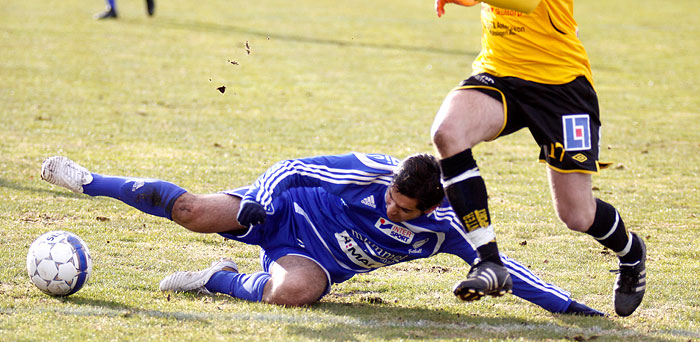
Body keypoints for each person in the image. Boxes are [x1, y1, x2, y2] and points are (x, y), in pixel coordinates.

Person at [41, 153, 602, 316]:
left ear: (432, 205)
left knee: (295, 294)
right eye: (389, 198)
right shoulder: (369, 171)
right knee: (188, 209)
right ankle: (89, 181)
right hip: (279, 214)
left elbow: (503, 268)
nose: (391, 207)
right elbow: (293, 168)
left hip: (309, 260)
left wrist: (573, 308)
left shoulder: (452, 227)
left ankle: (218, 280)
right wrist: (260, 202)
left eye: (403, 209)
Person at [430, 0, 646, 316]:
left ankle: (631, 253)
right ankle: (489, 263)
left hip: (561, 87)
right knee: (448, 133)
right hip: (499, 74)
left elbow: (526, 3)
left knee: (577, 215)